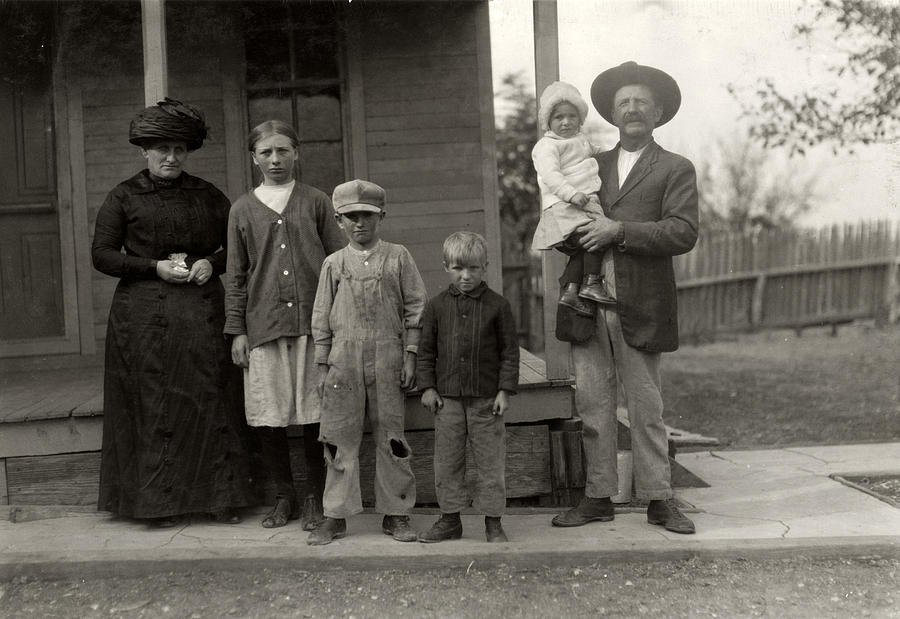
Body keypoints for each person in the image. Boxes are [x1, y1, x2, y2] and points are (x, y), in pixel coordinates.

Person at [92, 98, 256, 527]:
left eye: (179, 149)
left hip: (202, 312)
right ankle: (157, 506)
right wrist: (153, 267)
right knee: (153, 404)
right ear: (144, 151)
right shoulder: (124, 196)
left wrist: (211, 263)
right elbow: (103, 256)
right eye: (161, 148)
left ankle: (219, 498)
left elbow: (236, 246)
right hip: (142, 317)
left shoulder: (207, 194)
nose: (170, 157)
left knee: (210, 398)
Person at [551, 62, 699, 534]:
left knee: (646, 408)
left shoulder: (675, 168)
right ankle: (598, 497)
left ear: (657, 111)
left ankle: (658, 498)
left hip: (641, 304)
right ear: (612, 114)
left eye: (641, 102)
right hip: (586, 302)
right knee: (592, 405)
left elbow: (683, 231)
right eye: (623, 103)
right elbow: (558, 216)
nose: (632, 109)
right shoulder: (589, 165)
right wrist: (570, 232)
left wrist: (620, 230)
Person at [224, 120, 346, 529]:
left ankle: (314, 494)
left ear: (296, 153)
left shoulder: (315, 201)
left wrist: (338, 322)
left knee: (314, 413)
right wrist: (238, 330)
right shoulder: (242, 209)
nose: (275, 160)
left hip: (314, 323)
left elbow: (338, 264)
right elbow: (237, 275)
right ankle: (283, 495)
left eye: (283, 151)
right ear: (253, 157)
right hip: (264, 325)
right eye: (266, 153)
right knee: (270, 414)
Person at [307, 179, 428, 545]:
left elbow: (415, 309)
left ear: (381, 217)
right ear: (340, 221)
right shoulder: (334, 263)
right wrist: (323, 365)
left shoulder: (398, 256)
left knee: (391, 436)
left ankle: (396, 514)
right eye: (351, 217)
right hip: (343, 359)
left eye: (367, 216)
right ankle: (335, 516)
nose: (360, 223)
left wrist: (410, 355)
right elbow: (321, 317)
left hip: (389, 356)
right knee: (338, 437)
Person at [416, 232, 519, 543]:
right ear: (446, 267)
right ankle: (450, 520)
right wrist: (428, 387)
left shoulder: (498, 306)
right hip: (446, 401)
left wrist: (504, 391)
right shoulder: (436, 307)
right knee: (447, 463)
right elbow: (426, 351)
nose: (465, 276)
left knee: (490, 463)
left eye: (473, 268)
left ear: (484, 267)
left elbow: (509, 352)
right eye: (458, 268)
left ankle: (493, 521)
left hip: (486, 400)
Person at [531, 81, 614, 315]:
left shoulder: (581, 140)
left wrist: (613, 153)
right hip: (565, 205)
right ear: (548, 121)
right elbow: (550, 175)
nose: (566, 122)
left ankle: (570, 290)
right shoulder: (546, 146)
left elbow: (598, 153)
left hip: (582, 204)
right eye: (559, 117)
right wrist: (571, 193)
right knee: (596, 237)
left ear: (580, 119)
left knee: (582, 248)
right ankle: (591, 283)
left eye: (571, 116)